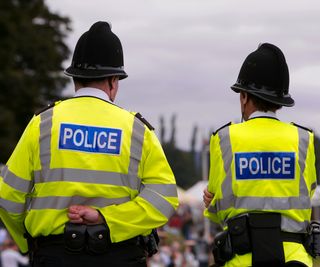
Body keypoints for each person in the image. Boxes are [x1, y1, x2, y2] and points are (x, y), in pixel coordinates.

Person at [0, 21, 178, 267]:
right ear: (114, 81)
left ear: (75, 78)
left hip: (53, 256)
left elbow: (8, 196)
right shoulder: (137, 130)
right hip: (120, 257)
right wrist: (108, 220)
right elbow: (164, 199)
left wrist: (29, 241)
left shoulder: (42, 123)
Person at [203, 43, 317, 267]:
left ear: (244, 97)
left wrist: (210, 202)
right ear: (279, 102)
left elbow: (217, 210)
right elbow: (307, 195)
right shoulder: (305, 139)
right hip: (294, 259)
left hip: (242, 259)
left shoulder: (224, 139)